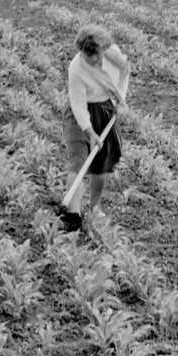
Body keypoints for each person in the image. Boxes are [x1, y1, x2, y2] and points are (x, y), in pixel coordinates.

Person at [60, 25, 130, 231]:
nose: (95, 61)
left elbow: (124, 73)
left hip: (105, 110)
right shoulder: (76, 69)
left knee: (101, 165)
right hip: (79, 114)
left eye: (99, 56)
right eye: (90, 58)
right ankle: (72, 215)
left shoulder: (113, 54)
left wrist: (121, 100)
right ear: (82, 52)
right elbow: (79, 106)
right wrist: (89, 132)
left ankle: (94, 206)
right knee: (79, 162)